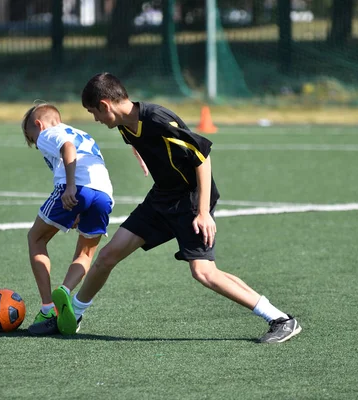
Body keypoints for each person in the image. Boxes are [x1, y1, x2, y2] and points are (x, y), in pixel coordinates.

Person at [52, 73, 301, 343]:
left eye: (93, 113)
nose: (96, 120)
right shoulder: (125, 123)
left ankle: (281, 319)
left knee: (204, 272)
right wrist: (144, 156)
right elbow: (136, 140)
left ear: (105, 105)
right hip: (161, 198)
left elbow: (202, 157)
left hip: (190, 200)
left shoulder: (158, 120)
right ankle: (73, 314)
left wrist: (203, 212)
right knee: (108, 255)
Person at [20, 103, 114, 335]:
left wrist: (70, 187)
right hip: (104, 193)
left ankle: (47, 308)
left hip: (75, 186)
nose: (36, 144)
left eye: (32, 138)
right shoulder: (84, 134)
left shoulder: (48, 133)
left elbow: (67, 147)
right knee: (85, 253)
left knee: (36, 238)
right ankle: (66, 289)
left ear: (38, 125)